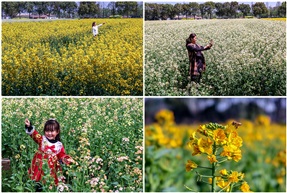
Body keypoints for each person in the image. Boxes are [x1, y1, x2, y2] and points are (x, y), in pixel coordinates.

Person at [25, 118, 73, 191]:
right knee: (37, 181)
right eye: (47, 131)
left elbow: (62, 155)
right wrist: (29, 126)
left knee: (49, 181)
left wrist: (66, 159)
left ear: (57, 132)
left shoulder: (59, 145)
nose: (49, 133)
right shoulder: (42, 139)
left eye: (52, 131)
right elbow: (35, 135)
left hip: (51, 167)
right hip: (39, 165)